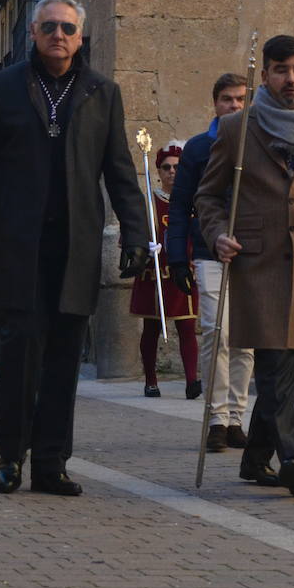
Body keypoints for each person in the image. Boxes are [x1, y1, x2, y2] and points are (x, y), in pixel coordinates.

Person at [0, 0, 149, 496]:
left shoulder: (102, 92)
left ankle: (51, 461)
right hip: (18, 244)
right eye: (49, 28)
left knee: (64, 357)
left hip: (75, 245)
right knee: (19, 351)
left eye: (67, 28)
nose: (58, 36)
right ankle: (12, 455)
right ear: (33, 34)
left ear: (80, 36)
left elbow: (120, 169)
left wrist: (136, 233)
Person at [195, 35, 294, 497]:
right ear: (265, 74)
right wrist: (217, 234)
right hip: (258, 265)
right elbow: (207, 196)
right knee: (273, 365)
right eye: (283, 70)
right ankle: (293, 459)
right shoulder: (235, 129)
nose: (292, 79)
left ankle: (254, 459)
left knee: (285, 365)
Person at [167, 72, 253, 452]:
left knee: (245, 340)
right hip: (208, 250)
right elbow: (182, 204)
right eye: (227, 100)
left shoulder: (261, 144)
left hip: (253, 253)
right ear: (215, 103)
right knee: (215, 332)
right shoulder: (199, 149)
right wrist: (177, 258)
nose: (234, 106)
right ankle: (216, 416)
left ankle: (236, 416)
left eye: (240, 99)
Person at [130, 140, 200, 397]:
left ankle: (192, 381)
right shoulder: (148, 202)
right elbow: (130, 237)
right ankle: (151, 380)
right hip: (155, 274)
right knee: (152, 329)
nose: (172, 172)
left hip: (182, 274)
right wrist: (143, 246)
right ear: (158, 171)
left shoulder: (192, 201)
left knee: (187, 327)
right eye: (167, 167)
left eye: (177, 168)